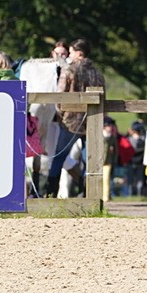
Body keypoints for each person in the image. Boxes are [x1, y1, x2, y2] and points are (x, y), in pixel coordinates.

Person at [46, 39, 106, 198]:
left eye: (71, 52)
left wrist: (61, 116)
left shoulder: (69, 70)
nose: (69, 55)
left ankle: (50, 193)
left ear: (79, 53)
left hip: (71, 122)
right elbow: (104, 100)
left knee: (59, 157)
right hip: (93, 120)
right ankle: (89, 194)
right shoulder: (97, 73)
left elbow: (60, 97)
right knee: (90, 160)